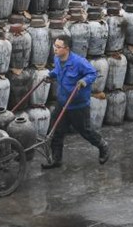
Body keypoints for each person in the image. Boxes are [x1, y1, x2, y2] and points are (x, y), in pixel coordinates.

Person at [41, 34, 109, 169]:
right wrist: (51, 75)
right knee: (56, 131)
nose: (55, 49)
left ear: (66, 49)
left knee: (85, 131)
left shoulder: (79, 62)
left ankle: (103, 146)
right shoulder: (57, 58)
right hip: (63, 102)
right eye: (55, 46)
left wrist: (84, 81)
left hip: (78, 105)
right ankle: (56, 159)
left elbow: (92, 73)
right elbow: (58, 71)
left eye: (58, 47)